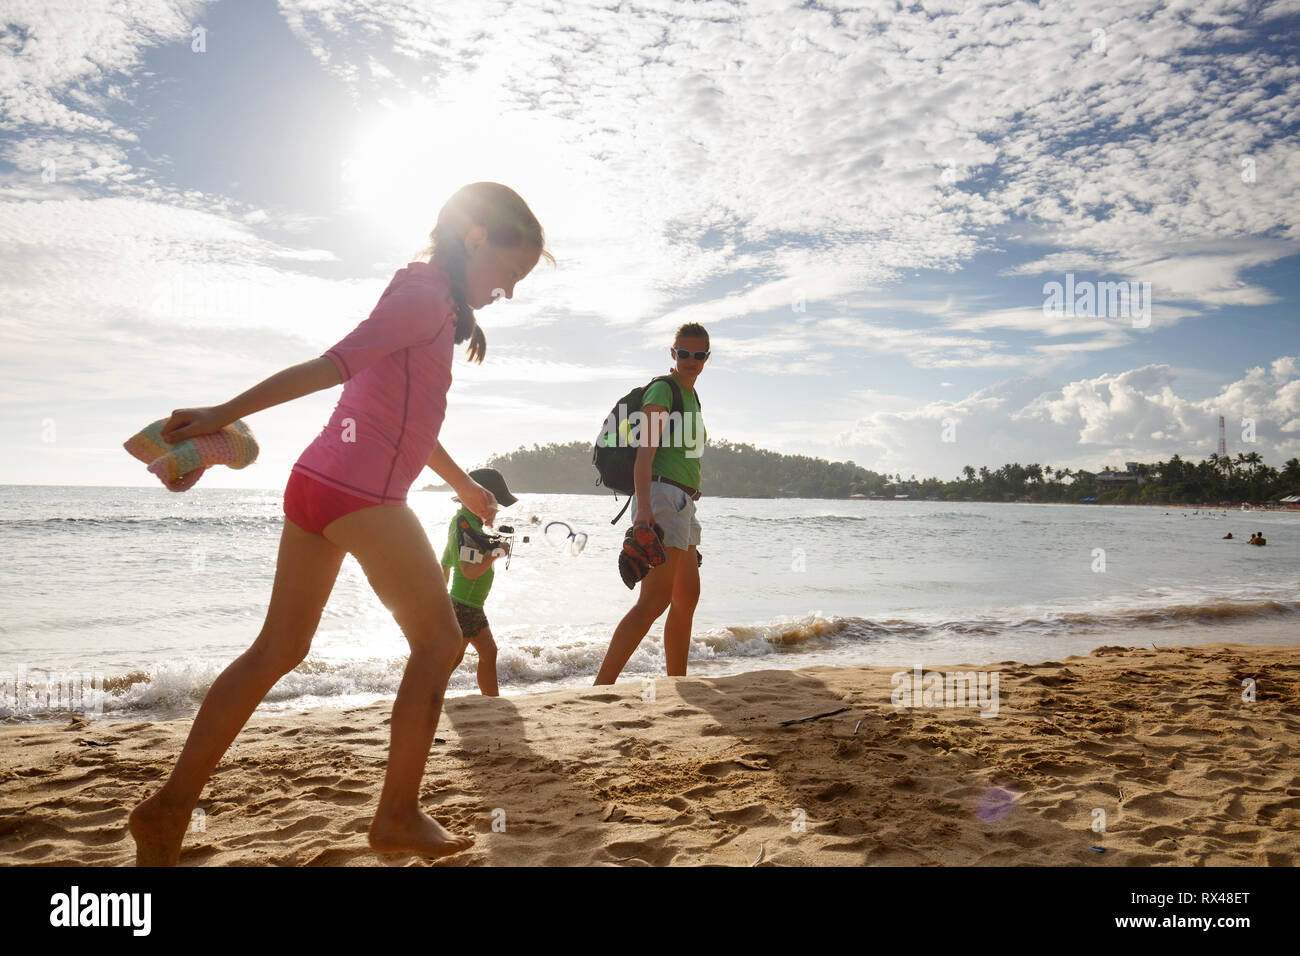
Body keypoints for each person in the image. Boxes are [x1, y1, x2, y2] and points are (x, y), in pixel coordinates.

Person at [128, 182, 551, 865]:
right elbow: (330, 366)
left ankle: (168, 809)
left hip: (316, 487)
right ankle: (397, 815)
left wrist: (463, 483)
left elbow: (405, 420)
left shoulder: (433, 305)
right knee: (441, 642)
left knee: (278, 649)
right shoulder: (422, 297)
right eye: (509, 272)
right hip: (362, 496)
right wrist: (221, 413)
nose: (506, 290)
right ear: (477, 239)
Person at [596, 323, 709, 684]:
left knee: (687, 596)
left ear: (707, 357)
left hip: (683, 502)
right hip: (661, 499)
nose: (691, 360)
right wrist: (643, 511)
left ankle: (677, 680)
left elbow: (684, 455)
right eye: (684, 353)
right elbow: (645, 456)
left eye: (699, 354)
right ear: (672, 353)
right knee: (654, 601)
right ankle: (602, 685)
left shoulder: (692, 397)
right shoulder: (664, 389)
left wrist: (691, 490)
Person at [441, 468, 518, 696]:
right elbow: (468, 572)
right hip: (464, 606)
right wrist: (495, 554)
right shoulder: (466, 528)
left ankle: (491, 700)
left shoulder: (467, 524)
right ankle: (427, 695)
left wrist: (441, 601)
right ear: (478, 499)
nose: (496, 511)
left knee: (488, 652)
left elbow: (445, 561)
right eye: (495, 505)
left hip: (468, 605)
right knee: (453, 658)